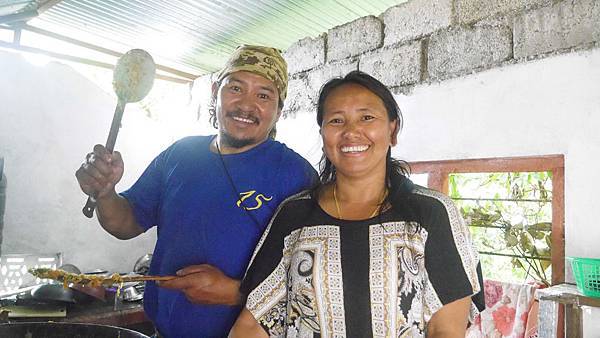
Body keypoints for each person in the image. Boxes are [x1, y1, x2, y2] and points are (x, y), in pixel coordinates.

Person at [75, 45, 317, 337]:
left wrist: (236, 293)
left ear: (279, 110)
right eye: (236, 88)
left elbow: (312, 283)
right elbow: (124, 223)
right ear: (215, 92)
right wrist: (105, 193)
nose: (246, 105)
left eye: (263, 95)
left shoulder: (295, 174)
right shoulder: (180, 155)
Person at [230, 71, 485, 337]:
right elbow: (253, 324)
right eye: (337, 120)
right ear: (323, 134)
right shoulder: (294, 215)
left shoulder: (432, 214)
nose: (351, 132)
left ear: (392, 129)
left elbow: (445, 331)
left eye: (366, 117)